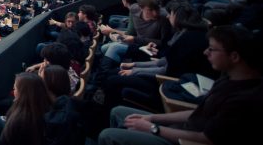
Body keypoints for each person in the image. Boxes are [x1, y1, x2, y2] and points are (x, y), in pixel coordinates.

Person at [98, 25, 263, 145]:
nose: (206, 52)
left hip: (184, 140)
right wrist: (152, 118)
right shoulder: (227, 79)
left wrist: (153, 128)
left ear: (234, 56)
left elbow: (207, 138)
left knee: (107, 135)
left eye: (212, 49)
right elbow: (198, 112)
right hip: (180, 127)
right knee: (117, 112)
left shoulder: (244, 99)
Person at [0, 72, 51, 145]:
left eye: (15, 88)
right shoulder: (41, 106)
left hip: (8, 136)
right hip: (14, 133)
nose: (13, 91)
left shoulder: (18, 119)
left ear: (22, 93)